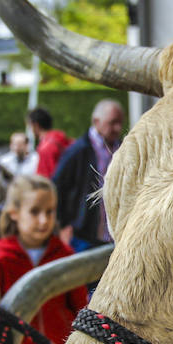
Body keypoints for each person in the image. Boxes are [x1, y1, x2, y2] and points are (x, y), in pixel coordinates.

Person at [0, 175, 88, 344]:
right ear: (14, 212)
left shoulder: (65, 256)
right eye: (34, 212)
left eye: (50, 212)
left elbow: (79, 306)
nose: (43, 220)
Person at [52, 99, 125, 251]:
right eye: (112, 123)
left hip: (116, 235)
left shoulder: (123, 147)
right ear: (96, 122)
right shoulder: (78, 151)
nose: (118, 128)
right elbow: (57, 187)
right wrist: (64, 224)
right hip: (84, 236)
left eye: (120, 123)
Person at [27, 107, 71, 178]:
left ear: (35, 125)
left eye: (29, 126)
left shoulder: (45, 147)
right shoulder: (61, 137)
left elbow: (45, 179)